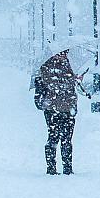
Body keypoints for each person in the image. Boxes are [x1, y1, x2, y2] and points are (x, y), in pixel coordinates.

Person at [32, 47, 83, 175]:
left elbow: (67, 85)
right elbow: (54, 85)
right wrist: (70, 80)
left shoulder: (68, 66)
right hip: (53, 108)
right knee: (54, 137)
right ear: (55, 53)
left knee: (67, 138)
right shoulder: (47, 67)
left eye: (66, 53)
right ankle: (51, 168)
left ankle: (67, 168)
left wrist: (76, 79)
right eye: (62, 53)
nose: (64, 55)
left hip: (68, 107)